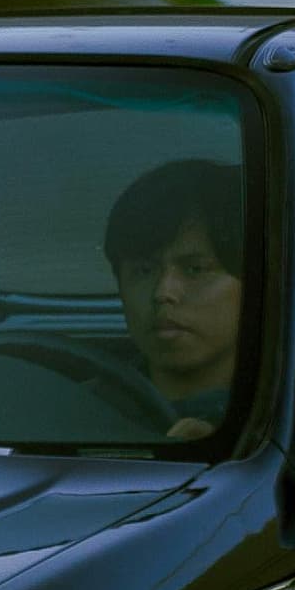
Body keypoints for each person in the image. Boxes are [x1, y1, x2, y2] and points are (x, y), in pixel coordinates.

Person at [104, 156, 253, 447]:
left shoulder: (283, 421)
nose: (163, 292)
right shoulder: (81, 407)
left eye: (195, 269)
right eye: (144, 270)